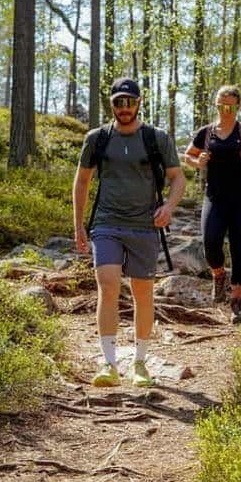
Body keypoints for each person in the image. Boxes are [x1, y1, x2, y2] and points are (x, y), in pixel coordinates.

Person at [73, 77, 186, 387]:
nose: (124, 108)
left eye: (129, 102)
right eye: (118, 102)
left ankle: (139, 363)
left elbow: (178, 178)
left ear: (139, 103)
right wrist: (78, 225)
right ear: (111, 104)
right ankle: (109, 365)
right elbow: (82, 181)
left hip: (145, 226)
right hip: (106, 223)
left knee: (142, 294)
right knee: (108, 285)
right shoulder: (97, 138)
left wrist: (169, 207)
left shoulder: (156, 138)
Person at [183, 85, 241, 323]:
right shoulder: (206, 133)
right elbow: (188, 155)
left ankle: (237, 303)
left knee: (238, 248)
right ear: (216, 106)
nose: (225, 110)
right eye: (221, 105)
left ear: (237, 107)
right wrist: (198, 160)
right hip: (215, 196)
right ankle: (218, 274)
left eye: (230, 106)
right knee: (210, 241)